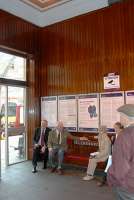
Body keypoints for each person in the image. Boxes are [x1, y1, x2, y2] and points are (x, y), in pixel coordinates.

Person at [107, 104, 134, 199]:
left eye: (121, 116)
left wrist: (111, 178)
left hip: (128, 186)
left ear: (126, 117)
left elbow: (121, 165)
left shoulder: (125, 135)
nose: (120, 118)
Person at [97, 122, 124, 187]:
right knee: (107, 167)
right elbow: (113, 146)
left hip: (120, 156)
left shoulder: (124, 135)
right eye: (114, 128)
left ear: (120, 128)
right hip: (113, 155)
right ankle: (103, 181)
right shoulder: (114, 136)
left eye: (116, 128)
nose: (115, 129)